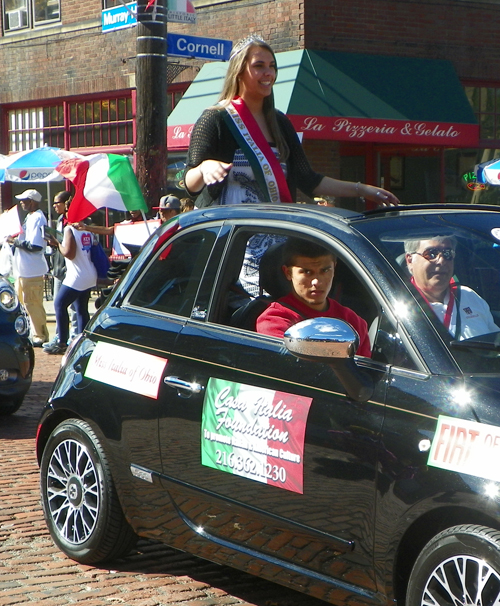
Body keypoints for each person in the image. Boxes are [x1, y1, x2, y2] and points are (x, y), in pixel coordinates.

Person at [184, 35, 399, 208]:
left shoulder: (279, 122)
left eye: (272, 66)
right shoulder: (216, 118)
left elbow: (309, 180)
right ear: (238, 72)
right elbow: (189, 185)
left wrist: (363, 190)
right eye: (259, 66)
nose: (268, 73)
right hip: (230, 233)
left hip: (275, 227)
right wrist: (204, 167)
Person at [256, 238, 371, 356]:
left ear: (334, 268)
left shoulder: (353, 322)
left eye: (325, 270)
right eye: (307, 272)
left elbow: (363, 373)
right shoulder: (274, 320)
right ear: (288, 273)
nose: (317, 282)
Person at [404, 236, 500, 340]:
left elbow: (495, 346)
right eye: (431, 254)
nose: (441, 261)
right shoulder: (400, 306)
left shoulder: (469, 296)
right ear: (410, 260)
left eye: (447, 253)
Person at [44, 222, 97, 354]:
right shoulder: (87, 229)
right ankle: (82, 342)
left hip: (77, 275)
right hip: (89, 273)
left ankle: (62, 342)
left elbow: (69, 253)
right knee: (81, 309)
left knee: (59, 304)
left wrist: (57, 244)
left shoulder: (69, 229)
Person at [7, 189, 49, 346]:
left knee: (33, 303)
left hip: (32, 270)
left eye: (24, 200)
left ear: (32, 201)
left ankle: (40, 335)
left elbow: (36, 245)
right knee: (25, 303)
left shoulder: (38, 218)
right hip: (24, 269)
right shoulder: (31, 217)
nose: (21, 203)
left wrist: (15, 242)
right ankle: (34, 332)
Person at [48, 191, 78, 343]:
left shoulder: (75, 222)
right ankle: (60, 336)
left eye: (57, 203)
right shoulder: (60, 220)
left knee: (73, 307)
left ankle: (74, 336)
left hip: (72, 269)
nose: (54, 206)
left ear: (67, 203)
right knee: (58, 304)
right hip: (59, 267)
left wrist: (58, 244)